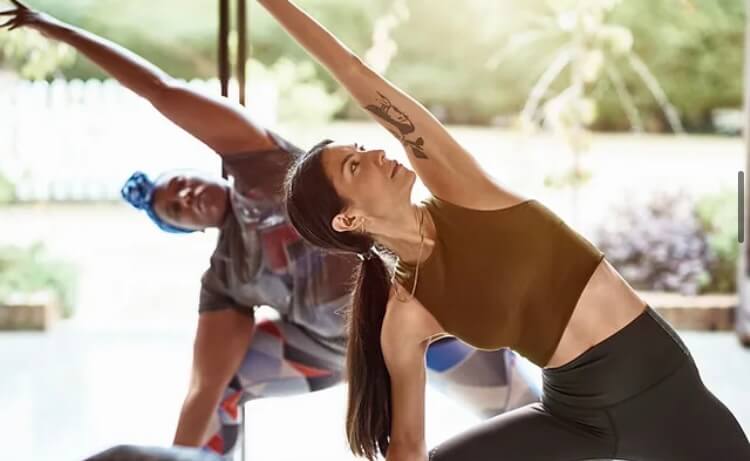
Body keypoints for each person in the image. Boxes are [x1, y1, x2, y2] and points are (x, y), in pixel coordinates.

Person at [0, 1, 540, 457]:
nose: (185, 197)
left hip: (424, 326)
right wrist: (176, 457)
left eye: (180, 184)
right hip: (330, 351)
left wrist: (57, 27)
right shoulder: (227, 277)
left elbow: (160, 91)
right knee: (226, 387)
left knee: (531, 414)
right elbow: (204, 389)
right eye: (176, 210)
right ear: (188, 230)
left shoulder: (261, 168)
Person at [261, 1, 750, 460]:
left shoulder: (461, 190)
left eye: (360, 147)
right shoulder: (406, 313)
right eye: (353, 166)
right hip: (572, 418)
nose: (372, 153)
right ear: (348, 220)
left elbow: (356, 74)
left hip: (660, 386)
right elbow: (407, 446)